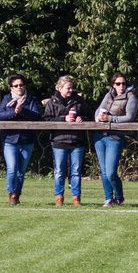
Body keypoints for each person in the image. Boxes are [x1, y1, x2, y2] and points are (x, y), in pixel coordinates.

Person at [93, 72, 138, 207]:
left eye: (123, 83)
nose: (121, 86)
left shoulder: (131, 98)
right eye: (118, 83)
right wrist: (98, 117)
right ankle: (108, 198)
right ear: (113, 85)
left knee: (111, 172)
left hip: (115, 137)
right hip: (100, 136)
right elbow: (98, 110)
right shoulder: (109, 95)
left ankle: (119, 196)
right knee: (104, 171)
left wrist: (110, 119)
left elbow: (130, 117)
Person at [0, 74, 41, 205]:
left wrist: (22, 111)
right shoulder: (6, 99)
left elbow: (36, 115)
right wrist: (14, 112)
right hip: (10, 139)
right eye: (16, 86)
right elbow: (0, 116)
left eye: (21, 85)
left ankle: (17, 194)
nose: (19, 87)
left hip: (27, 140)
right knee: (12, 168)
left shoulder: (31, 99)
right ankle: (11, 193)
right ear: (11, 88)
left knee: (21, 171)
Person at [42, 75, 88, 206]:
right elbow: (47, 120)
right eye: (68, 87)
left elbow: (89, 114)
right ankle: (59, 197)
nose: (70, 90)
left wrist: (81, 118)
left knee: (76, 171)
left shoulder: (79, 101)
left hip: (77, 141)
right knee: (59, 171)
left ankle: (76, 198)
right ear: (59, 88)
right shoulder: (52, 102)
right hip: (58, 141)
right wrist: (64, 119)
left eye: (72, 87)